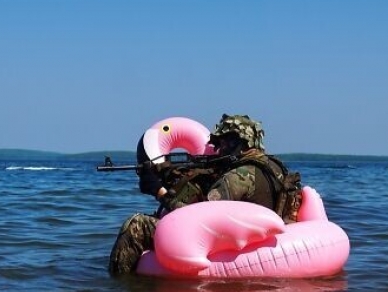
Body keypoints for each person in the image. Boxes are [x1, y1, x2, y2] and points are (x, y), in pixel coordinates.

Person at [108, 114, 303, 276]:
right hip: (260, 239)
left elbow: (195, 219)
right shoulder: (277, 169)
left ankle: (119, 286)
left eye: (224, 143)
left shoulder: (237, 177)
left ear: (239, 143)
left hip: (228, 243)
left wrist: (159, 191)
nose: (219, 150)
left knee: (136, 224)